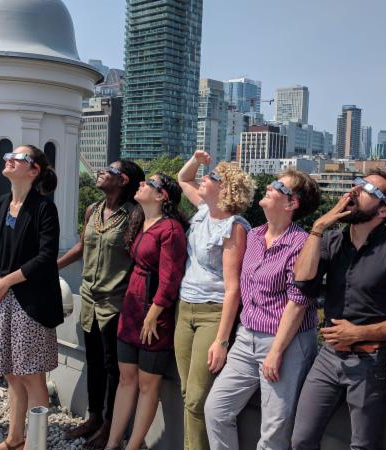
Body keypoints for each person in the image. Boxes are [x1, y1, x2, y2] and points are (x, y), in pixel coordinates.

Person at [291, 169, 386, 450]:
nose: (355, 190)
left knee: (363, 446)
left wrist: (358, 333)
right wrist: (318, 227)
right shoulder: (332, 240)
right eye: (357, 183)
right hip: (328, 356)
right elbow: (303, 282)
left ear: (385, 208)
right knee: (301, 440)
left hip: (371, 361)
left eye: (367, 188)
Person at [204, 169, 322, 450]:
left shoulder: (302, 245)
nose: (269, 186)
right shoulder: (254, 236)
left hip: (286, 342)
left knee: (274, 430)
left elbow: (298, 301)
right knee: (216, 409)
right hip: (247, 336)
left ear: (292, 203)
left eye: (278, 186)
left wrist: (276, 351)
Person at [0, 145, 62, 450]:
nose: (9, 159)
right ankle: (15, 438)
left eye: (19, 157)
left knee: (31, 374)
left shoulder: (43, 208)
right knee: (12, 373)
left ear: (34, 169)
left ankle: (36, 444)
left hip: (32, 302)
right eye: (7, 156)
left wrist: (5, 281)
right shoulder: (4, 203)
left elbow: (45, 257)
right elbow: (2, 248)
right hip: (6, 299)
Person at [56, 160, 145, 449]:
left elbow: (139, 257)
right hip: (90, 299)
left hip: (116, 303)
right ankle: (94, 417)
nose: (102, 172)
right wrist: (52, 267)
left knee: (113, 368)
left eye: (111, 170)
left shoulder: (134, 214)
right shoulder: (93, 210)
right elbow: (82, 246)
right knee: (94, 362)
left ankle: (110, 424)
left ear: (124, 181)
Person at [175, 151, 254, 450]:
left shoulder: (233, 226)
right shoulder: (203, 211)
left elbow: (233, 288)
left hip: (212, 313)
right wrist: (196, 159)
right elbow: (183, 178)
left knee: (197, 398)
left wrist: (221, 341)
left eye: (213, 177)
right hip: (185, 308)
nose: (205, 178)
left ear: (226, 190)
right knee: (186, 393)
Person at [104, 174, 188, 450]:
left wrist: (154, 314)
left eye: (148, 184)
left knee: (147, 385)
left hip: (154, 314)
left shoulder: (171, 229)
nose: (141, 185)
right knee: (126, 378)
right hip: (132, 308)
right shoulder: (141, 222)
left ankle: (133, 446)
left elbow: (170, 278)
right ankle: (113, 442)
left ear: (162, 196)